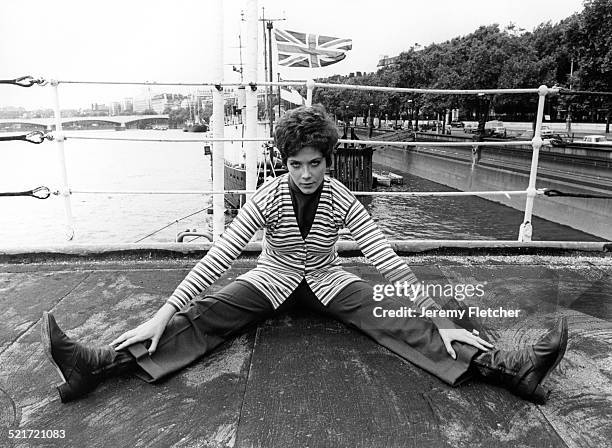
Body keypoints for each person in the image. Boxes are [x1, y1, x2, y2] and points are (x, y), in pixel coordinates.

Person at [41, 105, 567, 404]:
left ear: (327, 158)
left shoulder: (341, 198)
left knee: (399, 309)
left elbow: (385, 258)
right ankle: (98, 364)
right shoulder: (267, 196)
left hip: (329, 281)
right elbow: (221, 254)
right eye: (296, 163)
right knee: (204, 315)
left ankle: (503, 366)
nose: (306, 174)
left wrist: (439, 318)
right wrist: (163, 313)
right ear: (283, 161)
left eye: (314, 162)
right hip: (271, 279)